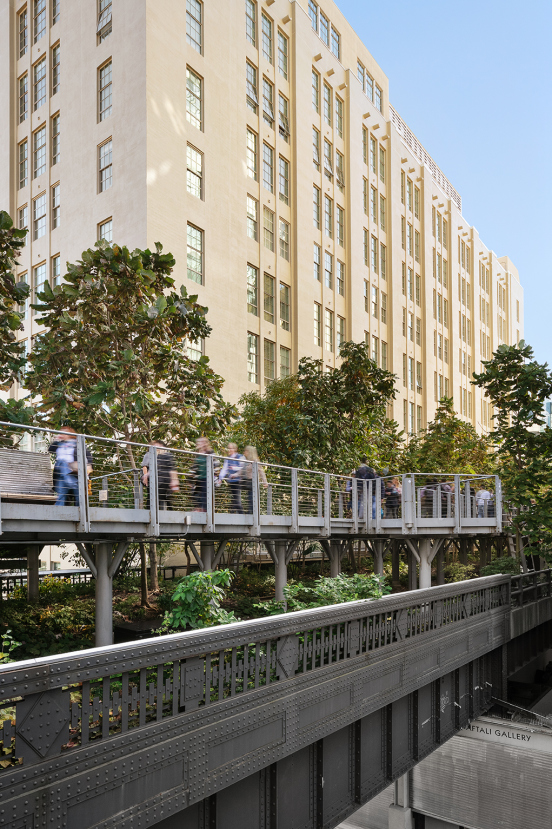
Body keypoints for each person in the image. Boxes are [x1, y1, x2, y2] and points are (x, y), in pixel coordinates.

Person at [48, 426, 92, 507]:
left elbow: (88, 456)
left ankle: (71, 482)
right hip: (61, 473)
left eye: (64, 432)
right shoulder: (59, 444)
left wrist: (88, 466)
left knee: (75, 494)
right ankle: (58, 511)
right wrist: (56, 440)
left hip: (73, 471)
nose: (62, 434)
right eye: (61, 433)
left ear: (70, 434)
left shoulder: (77, 444)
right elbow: (50, 449)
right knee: (61, 494)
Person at [141, 441, 179, 510]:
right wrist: (146, 476)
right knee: (156, 496)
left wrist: (174, 480)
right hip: (154, 479)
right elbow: (145, 466)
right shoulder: (150, 454)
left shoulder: (164, 455)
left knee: (160, 496)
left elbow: (171, 468)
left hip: (162, 480)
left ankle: (155, 511)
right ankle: (152, 511)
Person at [191, 437, 220, 512]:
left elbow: (216, 464)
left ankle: (205, 512)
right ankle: (200, 510)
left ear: (204, 443)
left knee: (205, 496)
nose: (198, 444)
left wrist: (217, 477)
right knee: (196, 495)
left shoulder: (210, 452)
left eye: (199, 442)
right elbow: (194, 467)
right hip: (199, 479)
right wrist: (190, 479)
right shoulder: (198, 454)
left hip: (207, 478)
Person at [217, 443, 245, 514]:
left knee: (236, 499)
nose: (229, 450)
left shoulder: (240, 457)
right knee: (235, 498)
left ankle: (239, 514)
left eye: (231, 448)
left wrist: (235, 468)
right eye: (229, 448)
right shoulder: (228, 459)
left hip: (239, 480)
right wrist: (220, 478)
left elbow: (244, 468)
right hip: (231, 481)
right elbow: (224, 469)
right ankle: (234, 513)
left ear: (235, 449)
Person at [242, 445, 267, 514]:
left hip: (254, 482)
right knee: (249, 498)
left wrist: (265, 482)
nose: (244, 452)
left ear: (249, 452)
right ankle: (250, 512)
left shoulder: (255, 461)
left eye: (246, 451)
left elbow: (261, 471)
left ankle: (252, 513)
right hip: (248, 482)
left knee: (252, 498)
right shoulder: (246, 461)